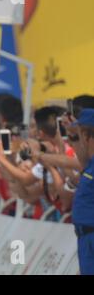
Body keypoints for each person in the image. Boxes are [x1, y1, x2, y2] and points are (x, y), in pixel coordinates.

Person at [68, 109, 94, 275]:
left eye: (78, 136)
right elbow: (83, 159)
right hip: (85, 241)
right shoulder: (90, 165)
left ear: (85, 135)